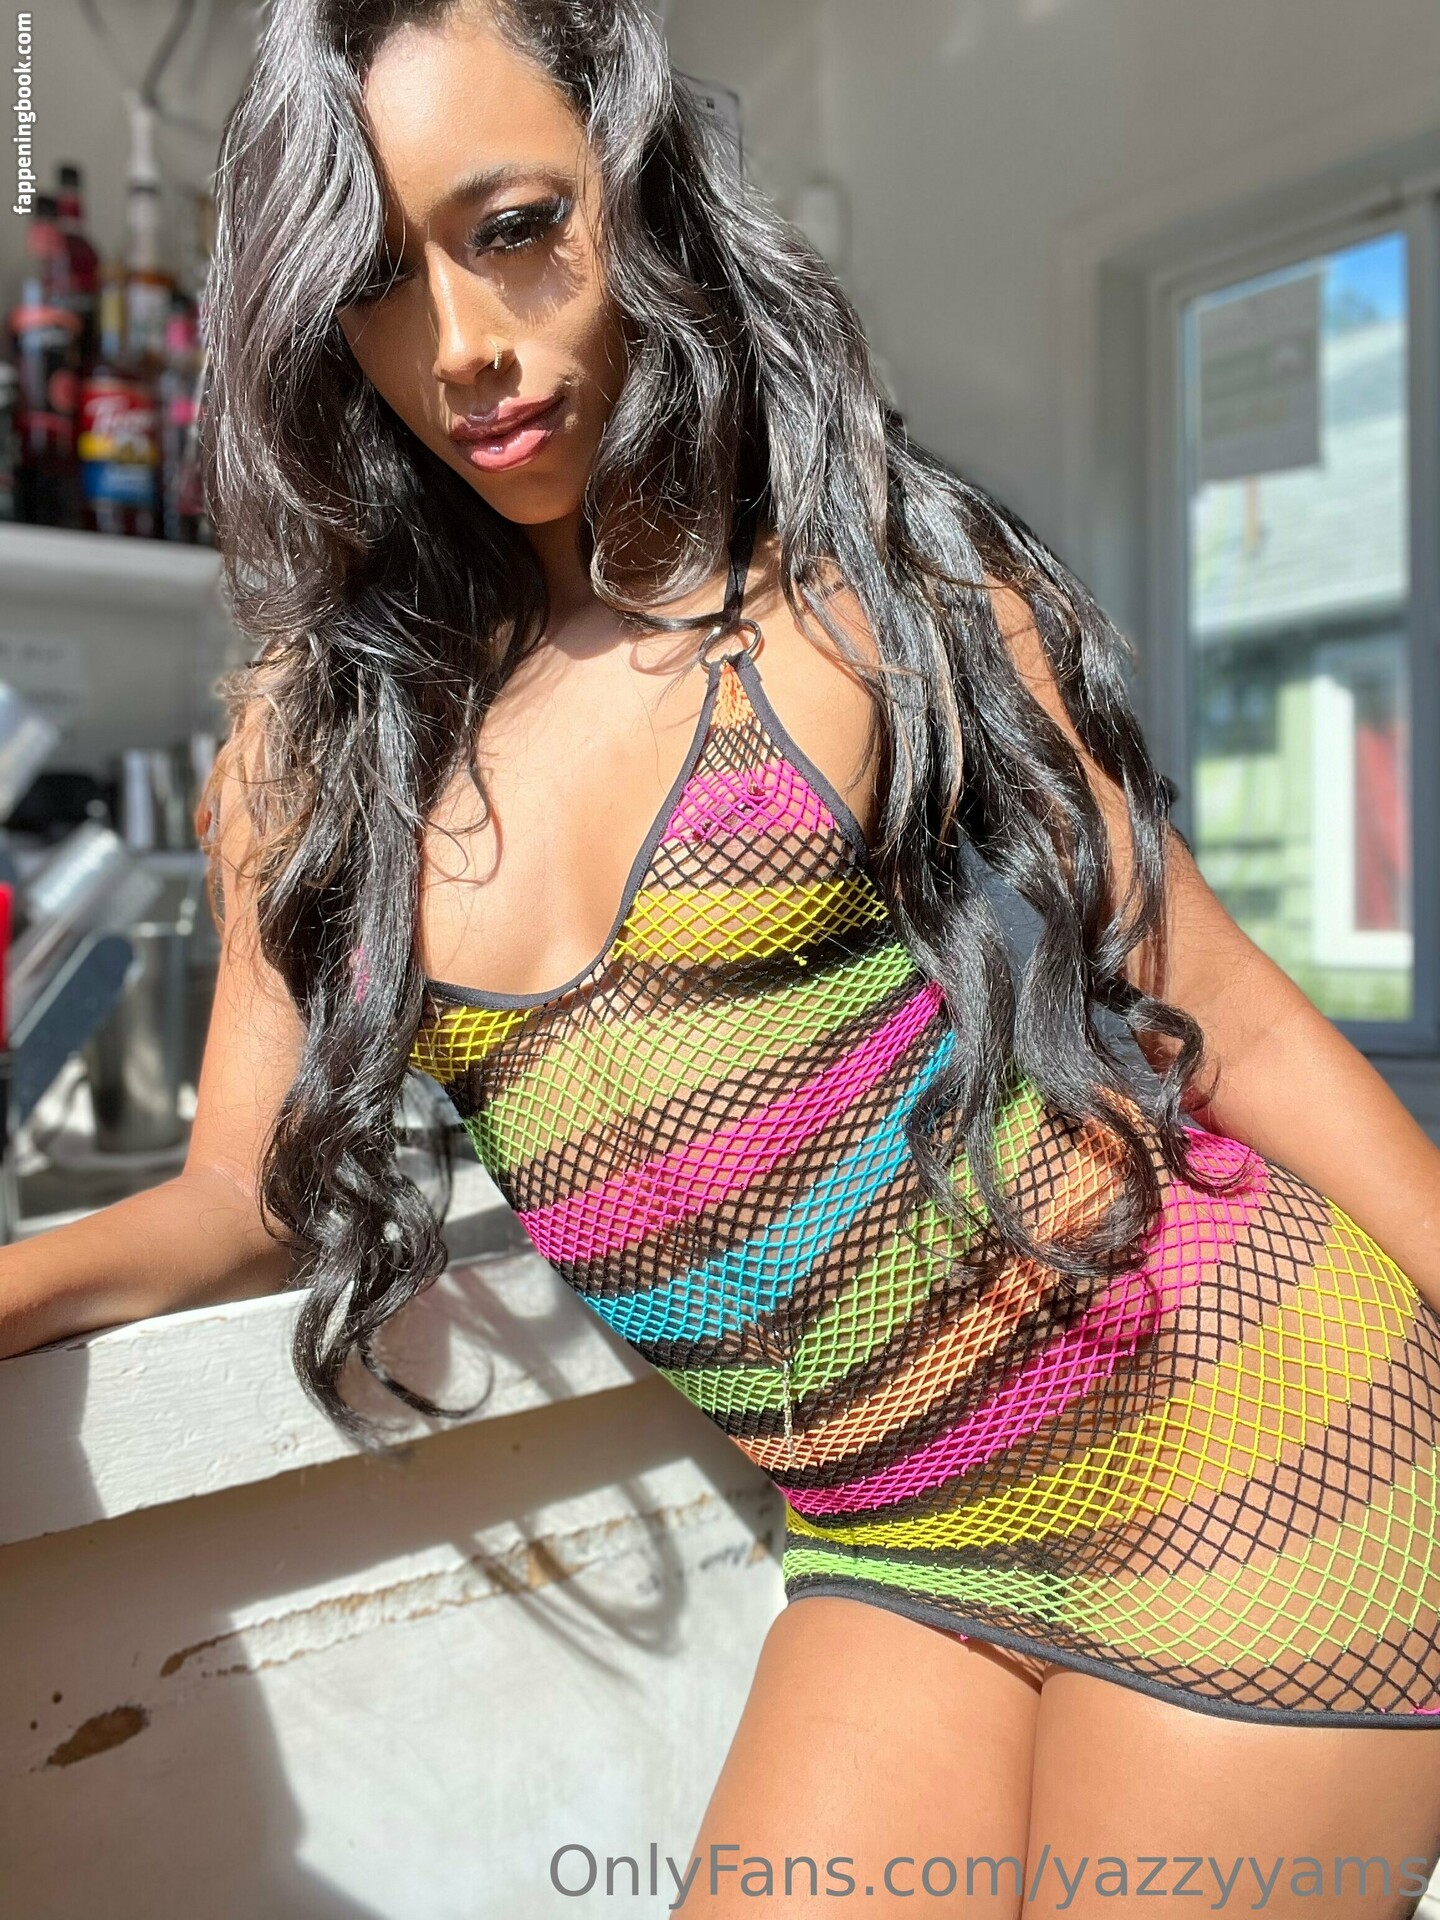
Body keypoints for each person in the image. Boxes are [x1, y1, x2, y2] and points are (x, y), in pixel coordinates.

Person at [6, 1, 1440, 1912]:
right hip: (898, 1534)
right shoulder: (314, 753)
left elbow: (1228, 1011)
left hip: (1233, 1432)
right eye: (375, 280)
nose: (464, 344)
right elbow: (236, 1203)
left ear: (638, 197)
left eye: (516, 226)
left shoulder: (862, 582)